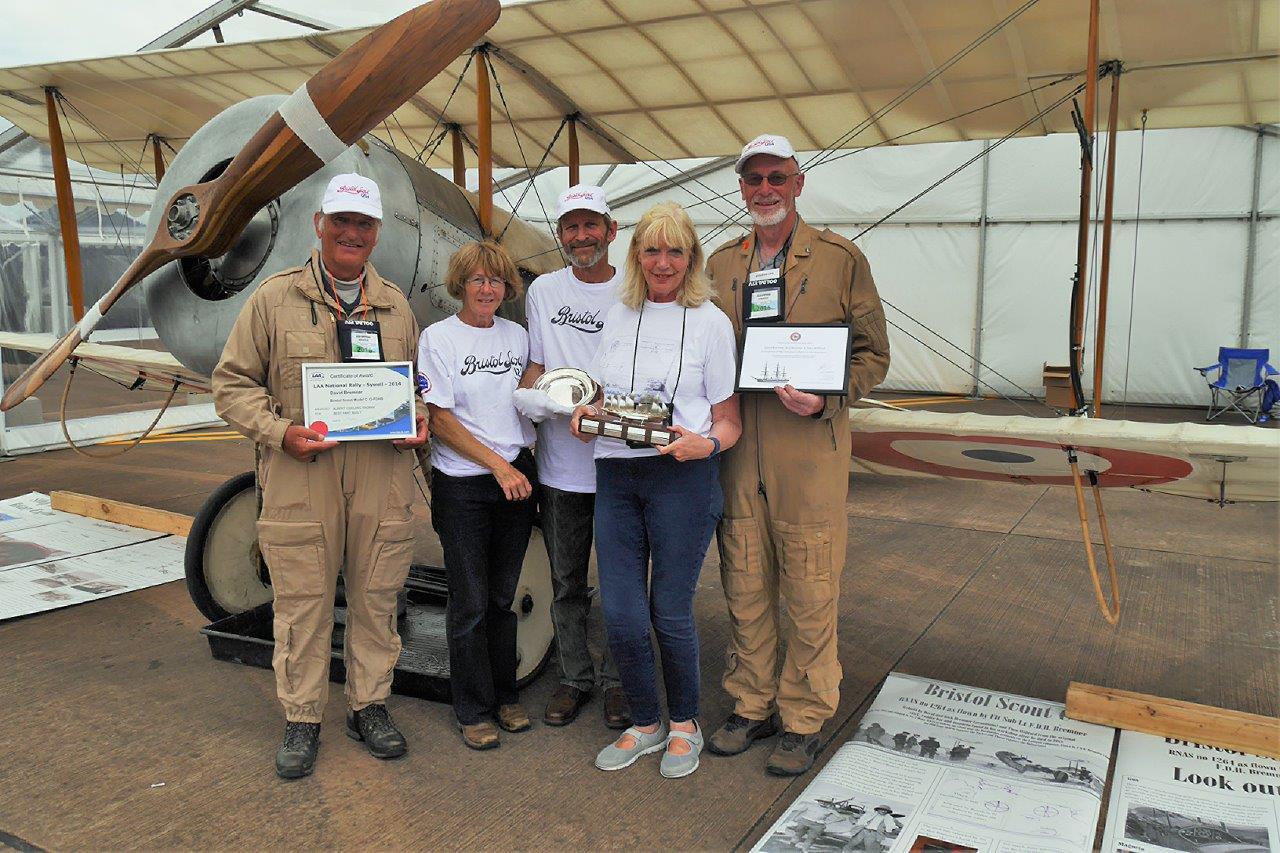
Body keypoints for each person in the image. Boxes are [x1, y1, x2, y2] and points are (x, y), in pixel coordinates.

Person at [213, 173, 429, 780]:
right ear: (320, 225)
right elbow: (231, 384)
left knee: (376, 595)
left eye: (363, 224)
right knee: (303, 600)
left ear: (377, 233)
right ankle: (303, 716)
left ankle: (370, 706)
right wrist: (281, 432)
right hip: (300, 469)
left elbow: (414, 387)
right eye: (342, 222)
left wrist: (417, 421)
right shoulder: (273, 300)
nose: (352, 234)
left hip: (380, 472)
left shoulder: (394, 305)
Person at [706, 133, 890, 776]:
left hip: (808, 452)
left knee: (811, 586)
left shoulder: (840, 259)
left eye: (775, 177)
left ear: (798, 182)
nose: (764, 190)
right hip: (737, 451)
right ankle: (751, 704)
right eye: (752, 179)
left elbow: (873, 355)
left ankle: (805, 715)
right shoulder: (722, 263)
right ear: (742, 188)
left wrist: (829, 398)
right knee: (746, 580)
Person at [569, 201, 741, 779]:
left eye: (674, 250)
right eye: (651, 249)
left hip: (681, 481)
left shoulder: (712, 322)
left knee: (669, 612)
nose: (662, 262)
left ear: (690, 256)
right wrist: (586, 410)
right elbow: (601, 391)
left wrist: (707, 445)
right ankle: (644, 722)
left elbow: (729, 420)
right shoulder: (619, 314)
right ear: (636, 255)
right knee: (620, 614)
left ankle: (684, 724)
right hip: (616, 474)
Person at [516, 185, 630, 730]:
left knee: (621, 582)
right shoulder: (543, 290)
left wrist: (609, 416)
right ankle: (574, 677)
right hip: (562, 468)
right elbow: (536, 368)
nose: (581, 237)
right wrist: (532, 407)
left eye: (591, 226)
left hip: (621, 463)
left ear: (611, 231)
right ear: (560, 236)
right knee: (566, 582)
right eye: (570, 228)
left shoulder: (636, 289)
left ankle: (617, 680)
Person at [417, 240, 538, 751]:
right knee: (468, 601)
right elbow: (441, 419)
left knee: (501, 597)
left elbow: (532, 391)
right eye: (477, 280)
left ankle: (505, 695)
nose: (487, 288)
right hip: (465, 483)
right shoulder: (438, 338)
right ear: (460, 286)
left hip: (516, 475)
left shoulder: (518, 337)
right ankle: (471, 708)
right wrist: (497, 466)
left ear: (506, 287)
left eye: (495, 280)